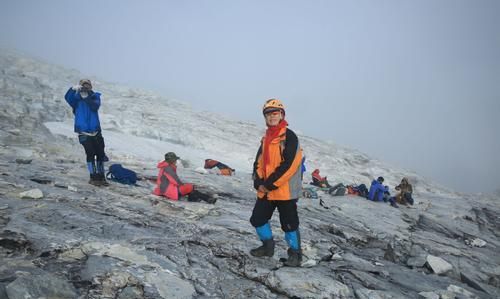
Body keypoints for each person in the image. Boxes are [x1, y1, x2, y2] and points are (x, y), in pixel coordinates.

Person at [249, 99, 304, 267]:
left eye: (275, 113)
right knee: (257, 219)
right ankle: (268, 247)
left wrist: (269, 184)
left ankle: (295, 255)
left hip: (285, 191)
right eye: (268, 114)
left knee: (289, 224)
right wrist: (258, 182)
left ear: (281, 115)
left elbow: (290, 165)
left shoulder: (289, 136)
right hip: (266, 190)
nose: (271, 117)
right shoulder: (265, 139)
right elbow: (258, 163)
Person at [64, 79, 108, 186]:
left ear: (91, 87)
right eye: (84, 86)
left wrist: (87, 97)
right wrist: (72, 89)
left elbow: (94, 107)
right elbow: (67, 98)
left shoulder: (95, 96)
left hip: (96, 131)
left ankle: (101, 177)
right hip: (83, 132)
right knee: (90, 153)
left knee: (100, 154)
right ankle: (93, 177)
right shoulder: (76, 100)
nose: (86, 88)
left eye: (88, 85)